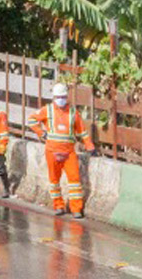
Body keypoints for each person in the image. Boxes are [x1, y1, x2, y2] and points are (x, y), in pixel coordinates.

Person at [28, 83, 94, 217]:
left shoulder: (73, 112)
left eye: (63, 97)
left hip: (69, 152)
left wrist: (90, 146)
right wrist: (41, 133)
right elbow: (31, 120)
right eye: (58, 97)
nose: (61, 99)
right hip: (52, 151)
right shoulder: (47, 110)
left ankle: (76, 209)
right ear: (54, 97)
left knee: (74, 180)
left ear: (67, 97)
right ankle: (58, 206)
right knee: (54, 180)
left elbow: (82, 131)